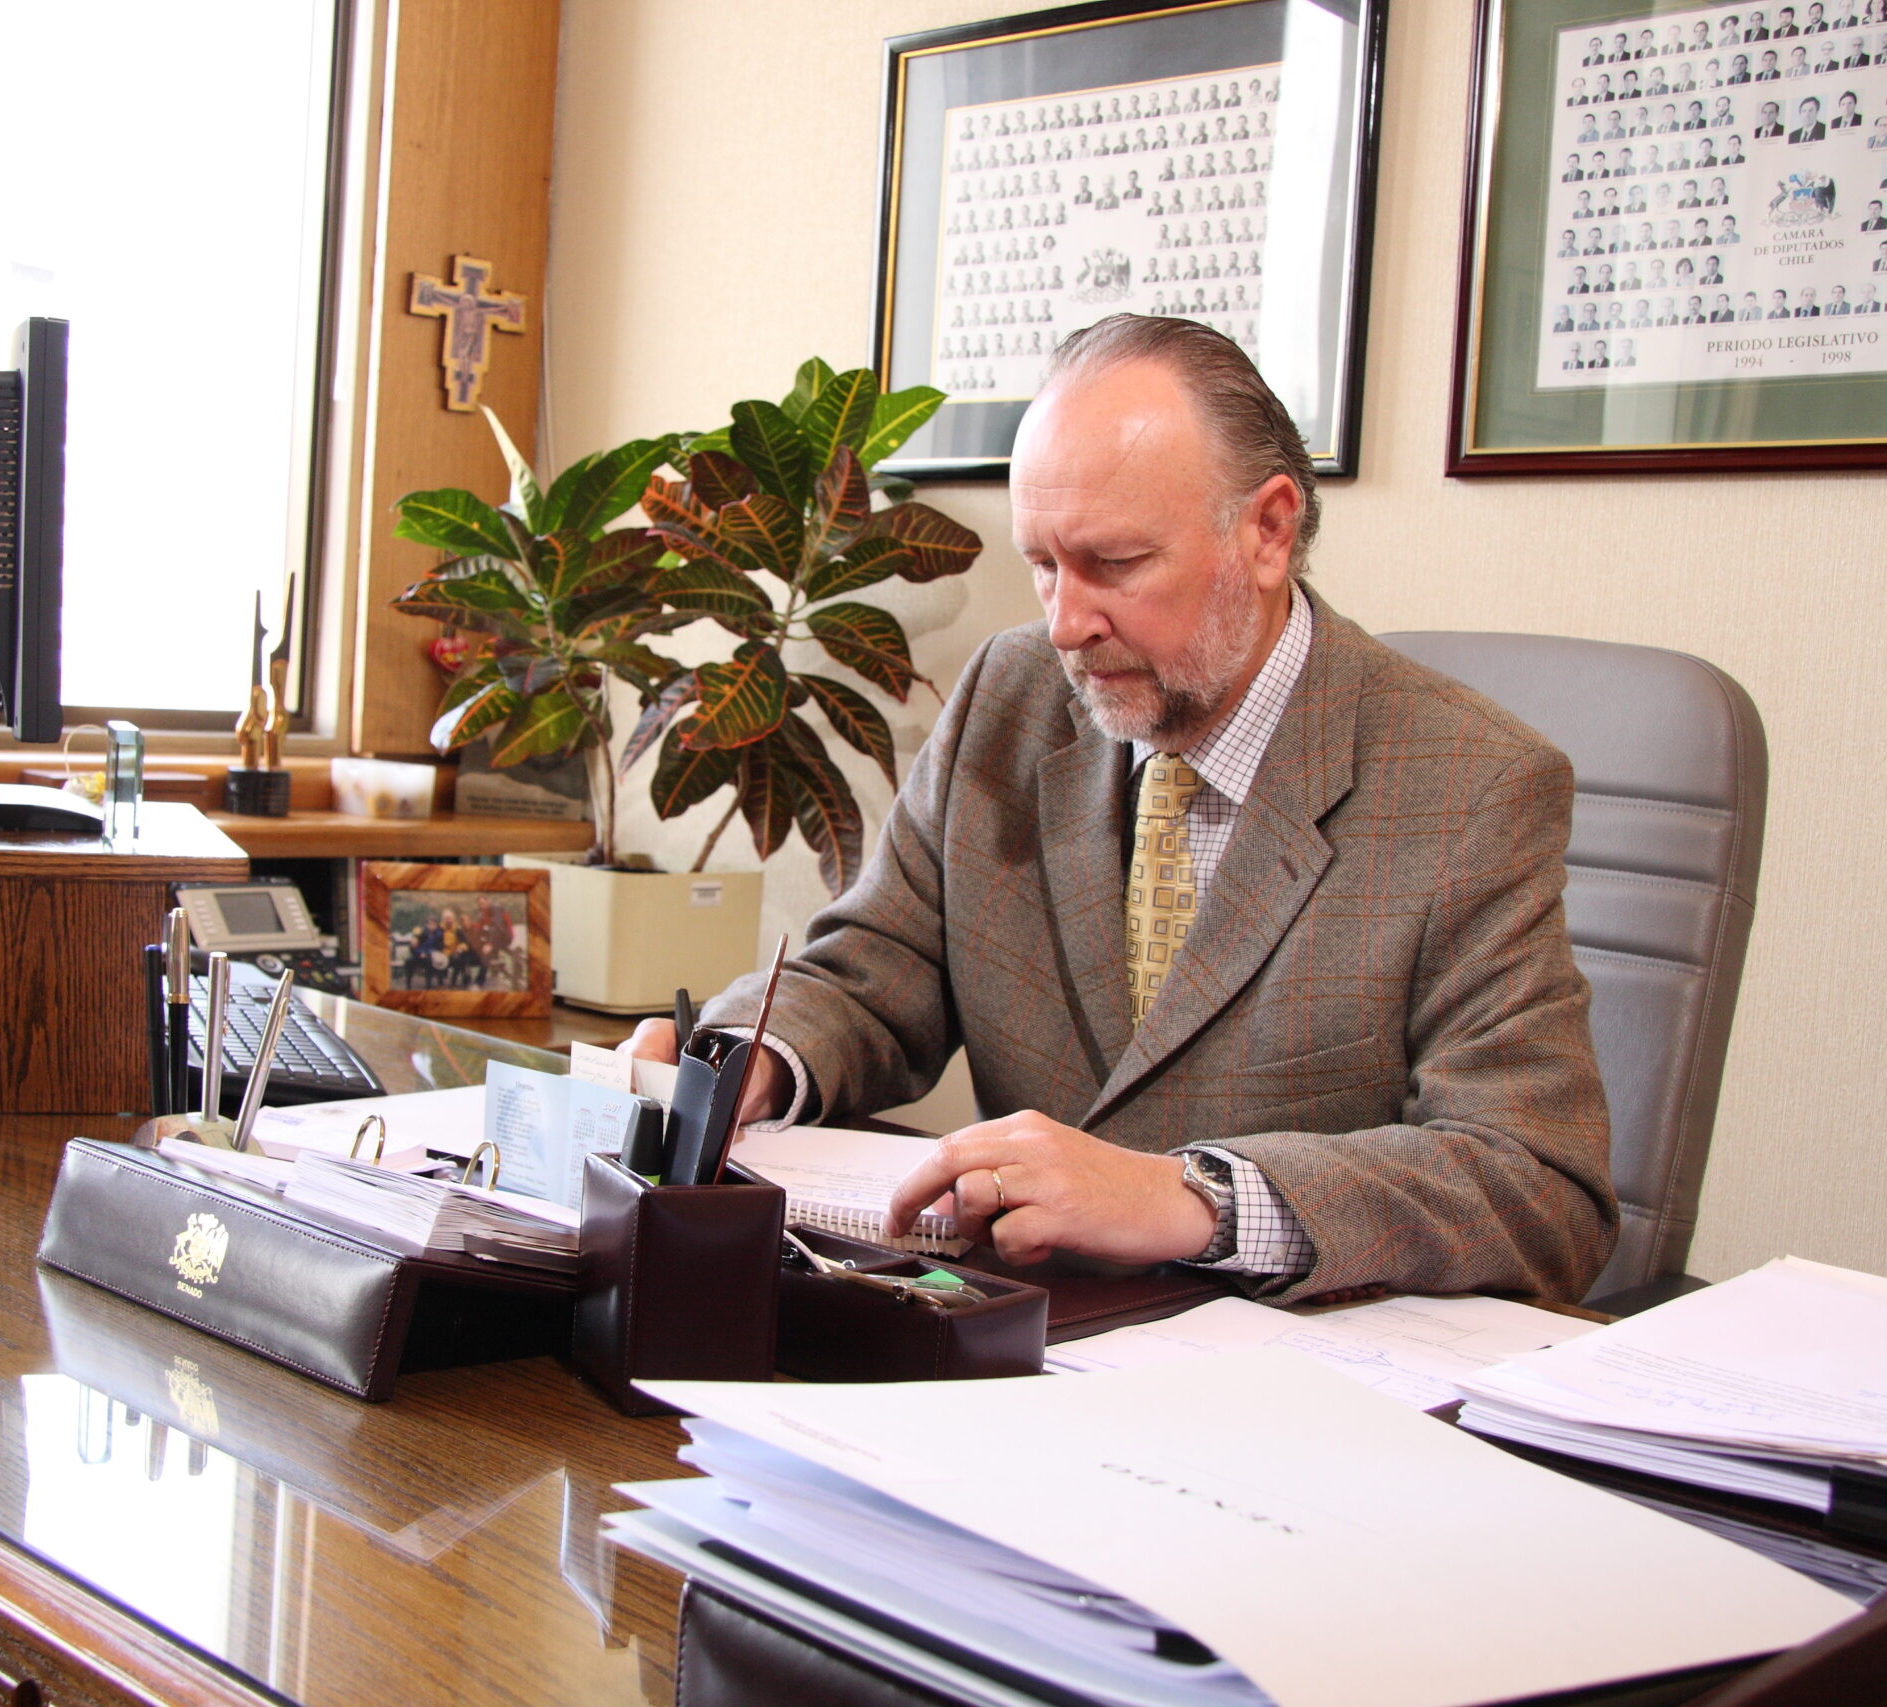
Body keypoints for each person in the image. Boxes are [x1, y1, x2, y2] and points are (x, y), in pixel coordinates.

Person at [626, 317, 1617, 1304]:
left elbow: (1535, 1186)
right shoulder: (1011, 695)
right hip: (1020, 1341)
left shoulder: (1469, 783)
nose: (1065, 623)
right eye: (1044, 563)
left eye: (1115, 563)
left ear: (1268, 531)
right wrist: (742, 1066)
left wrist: (1194, 1199)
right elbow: (879, 968)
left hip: (1283, 1385)